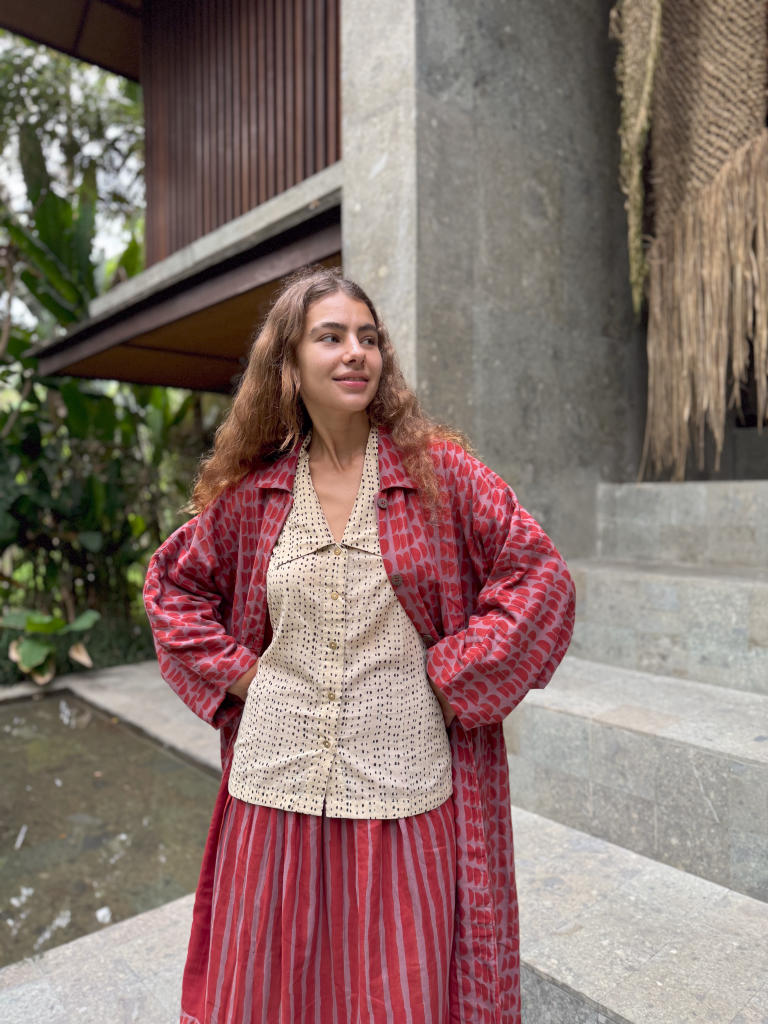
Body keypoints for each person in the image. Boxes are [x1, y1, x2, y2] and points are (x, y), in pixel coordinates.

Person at [144, 266, 575, 1024]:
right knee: (271, 992)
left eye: (368, 338)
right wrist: (245, 677)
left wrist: (451, 678)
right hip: (271, 796)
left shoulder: (439, 478)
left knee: (393, 992)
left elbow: (538, 580)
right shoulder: (256, 496)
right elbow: (171, 589)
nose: (355, 353)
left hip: (402, 798)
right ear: (289, 364)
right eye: (331, 337)